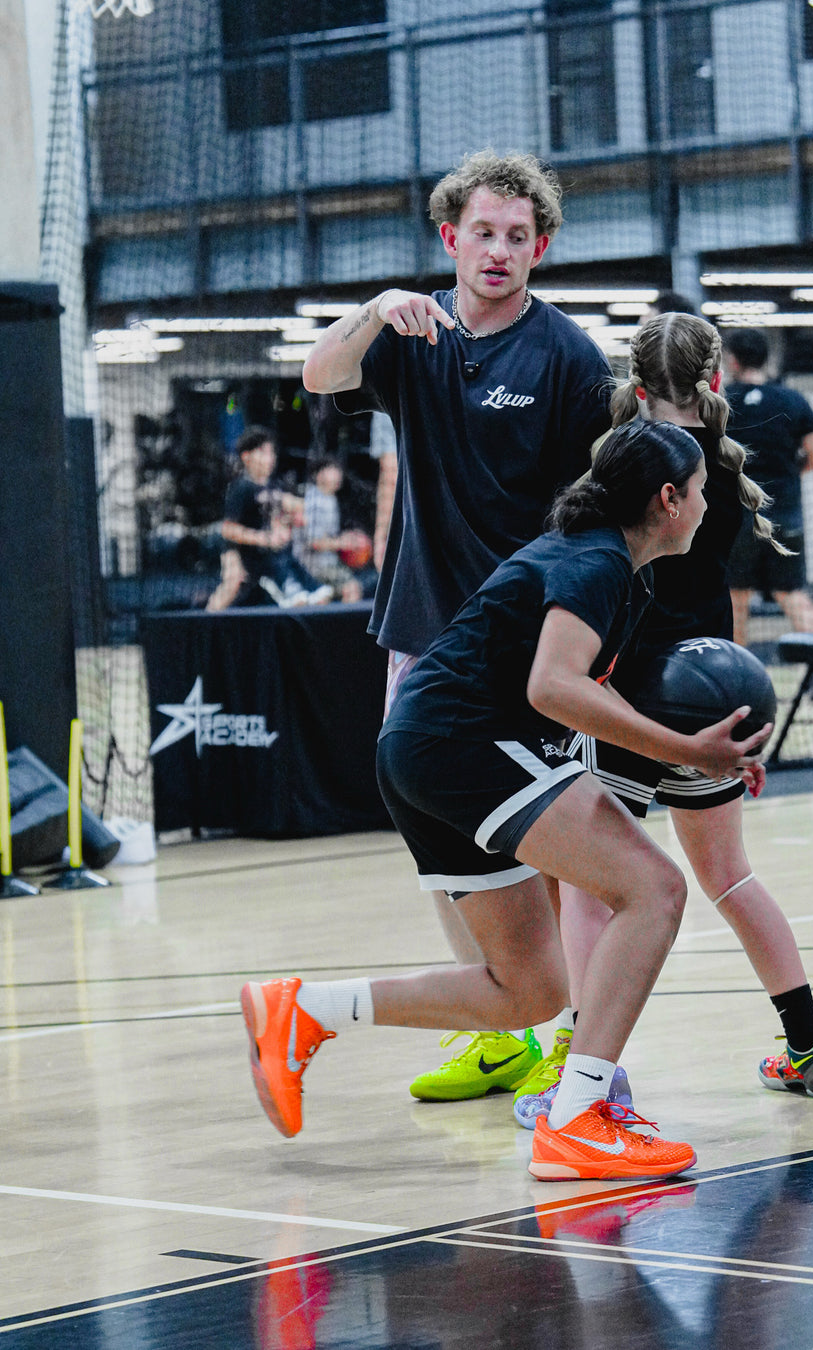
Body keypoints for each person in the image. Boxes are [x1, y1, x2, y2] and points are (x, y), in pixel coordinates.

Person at [240, 420, 772, 1180]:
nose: (705, 503)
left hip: (423, 747)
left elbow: (591, 687)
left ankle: (305, 1010)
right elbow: (551, 687)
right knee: (653, 889)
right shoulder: (596, 564)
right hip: (462, 744)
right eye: (702, 491)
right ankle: (580, 1117)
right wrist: (689, 750)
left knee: (526, 990)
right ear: (668, 498)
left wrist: (701, 760)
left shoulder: (616, 569)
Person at [301, 150, 613, 1101]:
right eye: (483, 232)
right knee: (446, 845)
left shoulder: (566, 357)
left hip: (528, 646)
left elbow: (593, 510)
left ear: (540, 249)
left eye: (518, 237)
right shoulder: (412, 331)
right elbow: (320, 374)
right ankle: (501, 1029)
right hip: (423, 630)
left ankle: (569, 1035)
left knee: (550, 847)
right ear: (451, 237)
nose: (499, 250)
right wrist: (376, 306)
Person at [511, 314, 813, 1129]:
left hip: (635, 698)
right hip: (717, 694)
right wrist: (739, 722)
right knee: (731, 877)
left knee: (595, 892)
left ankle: (589, 1078)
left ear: (632, 391)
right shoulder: (727, 473)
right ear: (717, 381)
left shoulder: (627, 468)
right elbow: (719, 607)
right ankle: (811, 1047)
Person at [721, 329, 813, 701]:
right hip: (785, 514)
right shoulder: (791, 398)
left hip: (737, 517)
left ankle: (738, 683)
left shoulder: (722, 400)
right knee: (792, 594)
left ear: (733, 360)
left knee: (736, 599)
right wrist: (785, 475)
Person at [206, 427, 333, 610]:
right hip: (239, 552)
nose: (270, 457)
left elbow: (290, 512)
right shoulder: (241, 487)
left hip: (268, 557)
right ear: (246, 457)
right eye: (263, 452)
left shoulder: (275, 486)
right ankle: (208, 623)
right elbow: (228, 530)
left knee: (314, 595)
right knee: (232, 583)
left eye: (271, 452)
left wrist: (290, 522)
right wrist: (265, 539)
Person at [293, 457, 369, 603]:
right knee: (351, 588)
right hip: (311, 565)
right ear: (319, 475)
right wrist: (343, 543)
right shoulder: (314, 499)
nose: (338, 474)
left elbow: (328, 536)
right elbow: (314, 542)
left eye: (338, 470)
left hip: (328, 562)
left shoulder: (330, 498)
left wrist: (347, 537)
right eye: (332, 469)